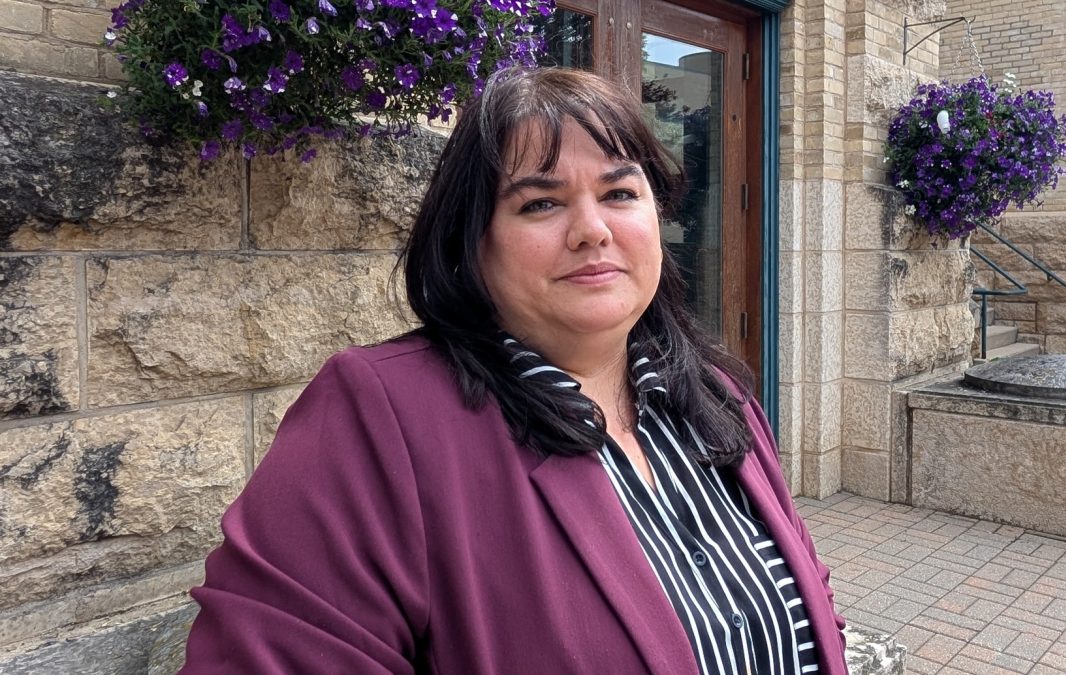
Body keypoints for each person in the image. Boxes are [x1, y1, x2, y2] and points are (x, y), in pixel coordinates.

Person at [181, 67, 847, 674]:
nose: (592, 229)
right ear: (472, 241)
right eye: (540, 203)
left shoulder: (714, 394)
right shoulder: (380, 418)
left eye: (619, 192)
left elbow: (806, 600)